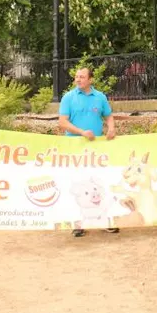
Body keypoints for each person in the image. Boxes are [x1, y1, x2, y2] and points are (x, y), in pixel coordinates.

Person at [59, 66, 117, 237]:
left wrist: (111, 128)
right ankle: (79, 224)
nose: (78, 79)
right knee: (78, 185)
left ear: (90, 80)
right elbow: (62, 122)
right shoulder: (68, 97)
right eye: (76, 77)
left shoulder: (100, 97)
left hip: (97, 149)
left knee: (100, 184)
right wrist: (82, 132)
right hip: (75, 148)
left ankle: (105, 221)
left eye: (82, 77)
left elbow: (108, 115)